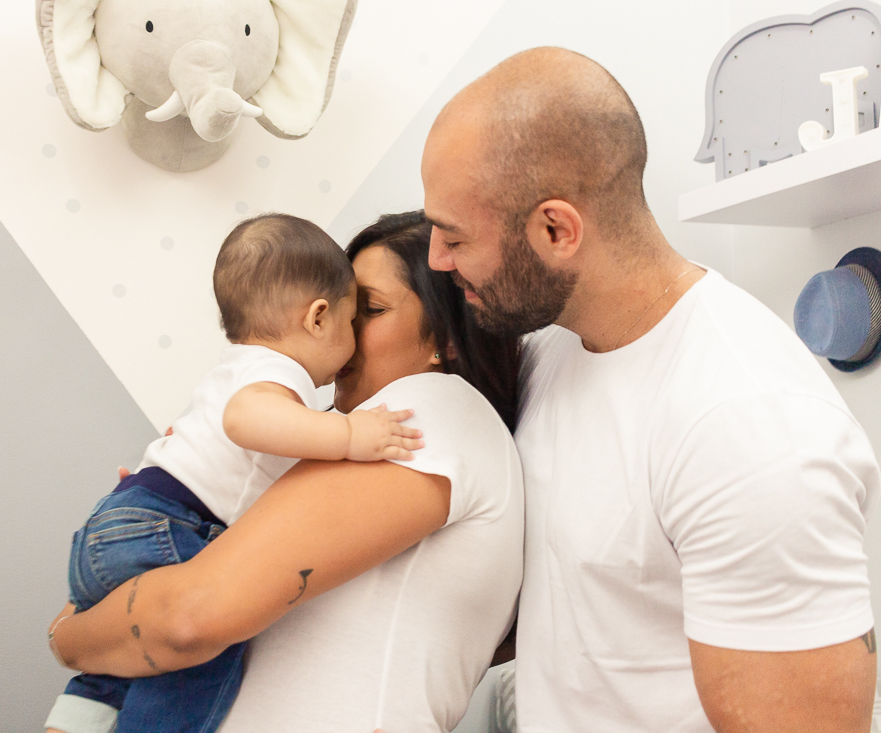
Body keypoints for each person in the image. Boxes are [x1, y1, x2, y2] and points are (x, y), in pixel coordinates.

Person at [420, 47, 881, 732]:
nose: (435, 258)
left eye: (453, 236)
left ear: (556, 229)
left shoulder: (746, 428)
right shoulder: (555, 348)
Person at [46, 211, 525, 733]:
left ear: (448, 339)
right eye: (344, 306)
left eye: (370, 309)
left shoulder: (427, 410)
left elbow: (187, 619)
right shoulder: (337, 433)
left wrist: (70, 638)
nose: (342, 328)